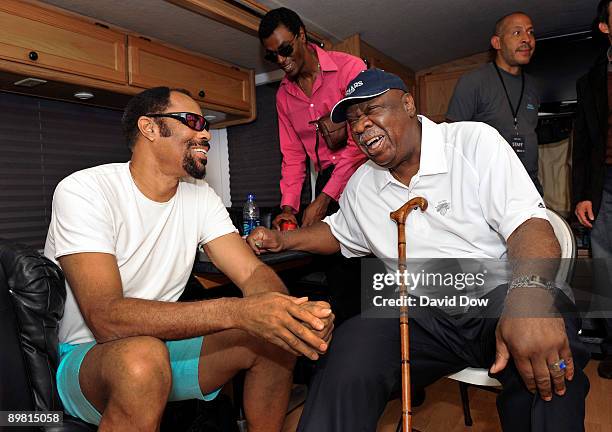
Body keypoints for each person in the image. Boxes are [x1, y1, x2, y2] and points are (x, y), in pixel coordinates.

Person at [248, 69, 590, 431]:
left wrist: (529, 300)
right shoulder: (362, 183)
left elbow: (530, 226)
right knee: (348, 351)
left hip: (499, 294)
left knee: (546, 359)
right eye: (353, 120)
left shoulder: (473, 143)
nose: (361, 126)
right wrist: (283, 239)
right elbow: (338, 232)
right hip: (423, 315)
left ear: (408, 104)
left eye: (371, 111)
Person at [43, 87, 334, 432]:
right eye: (193, 121)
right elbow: (105, 317)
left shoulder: (200, 197)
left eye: (206, 124)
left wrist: (289, 314)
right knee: (141, 359)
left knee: (275, 336)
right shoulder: (85, 190)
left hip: (164, 349)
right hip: (89, 358)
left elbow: (253, 271)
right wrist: (238, 311)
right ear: (150, 128)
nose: (206, 133)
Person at [258, 7, 367, 227]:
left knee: (369, 258)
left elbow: (359, 142)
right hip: (326, 181)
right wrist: (288, 209)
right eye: (272, 55)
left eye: (285, 49)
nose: (280, 60)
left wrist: (323, 200)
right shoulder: (283, 96)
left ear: (302, 34)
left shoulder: (349, 68)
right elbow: (292, 157)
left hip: (363, 173)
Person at [447, 12, 543, 195]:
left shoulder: (533, 85)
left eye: (530, 32)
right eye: (517, 33)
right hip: (487, 191)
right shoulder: (473, 82)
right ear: (497, 43)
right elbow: (452, 142)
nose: (527, 39)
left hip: (530, 187)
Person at [573, 0, 612, 379]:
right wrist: (583, 194)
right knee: (604, 269)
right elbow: (582, 143)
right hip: (605, 184)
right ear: (605, 27)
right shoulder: (591, 81)